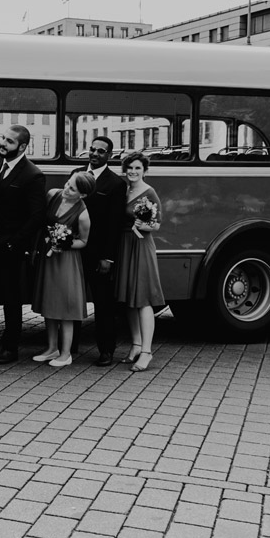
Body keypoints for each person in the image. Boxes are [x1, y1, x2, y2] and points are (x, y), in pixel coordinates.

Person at [0, 125, 46, 364]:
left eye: (9, 141)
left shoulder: (33, 174)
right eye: (3, 138)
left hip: (12, 247)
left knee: (11, 298)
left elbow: (37, 216)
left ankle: (10, 347)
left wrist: (15, 243)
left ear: (22, 146)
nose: (2, 143)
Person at [31, 172, 95, 367]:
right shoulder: (53, 194)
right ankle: (52, 349)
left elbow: (83, 241)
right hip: (48, 257)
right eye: (68, 183)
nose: (66, 189)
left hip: (66, 260)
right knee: (49, 303)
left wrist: (65, 243)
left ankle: (66, 354)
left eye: (72, 188)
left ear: (82, 195)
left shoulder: (83, 214)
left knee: (65, 307)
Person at [73, 136, 126, 366]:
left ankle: (106, 350)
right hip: (74, 249)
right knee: (72, 298)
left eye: (101, 151)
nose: (95, 154)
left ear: (110, 156)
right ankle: (70, 346)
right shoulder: (76, 174)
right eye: (92, 150)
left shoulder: (115, 183)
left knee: (104, 304)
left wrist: (108, 257)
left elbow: (115, 225)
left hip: (98, 253)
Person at [116, 152, 165, 373]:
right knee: (129, 297)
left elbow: (156, 226)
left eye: (137, 168)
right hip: (125, 245)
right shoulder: (126, 191)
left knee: (143, 298)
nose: (133, 172)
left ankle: (146, 351)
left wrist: (141, 225)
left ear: (144, 170)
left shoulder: (149, 192)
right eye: (129, 168)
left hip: (141, 246)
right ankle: (136, 344)